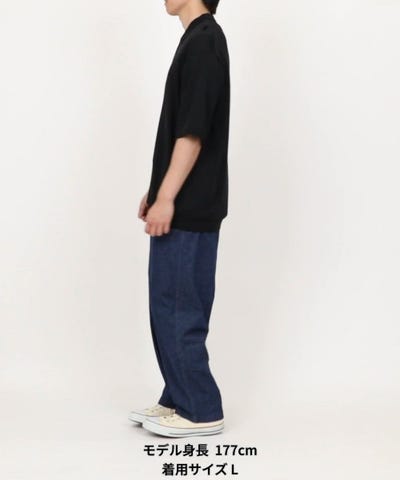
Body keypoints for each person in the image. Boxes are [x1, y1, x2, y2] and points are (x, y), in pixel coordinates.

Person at [129, 0, 230, 438]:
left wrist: (168, 196)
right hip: (183, 202)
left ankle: (201, 408)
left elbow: (193, 133)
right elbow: (182, 128)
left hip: (191, 206)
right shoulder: (196, 40)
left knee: (179, 307)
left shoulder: (205, 42)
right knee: (167, 304)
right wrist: (157, 190)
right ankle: (177, 396)